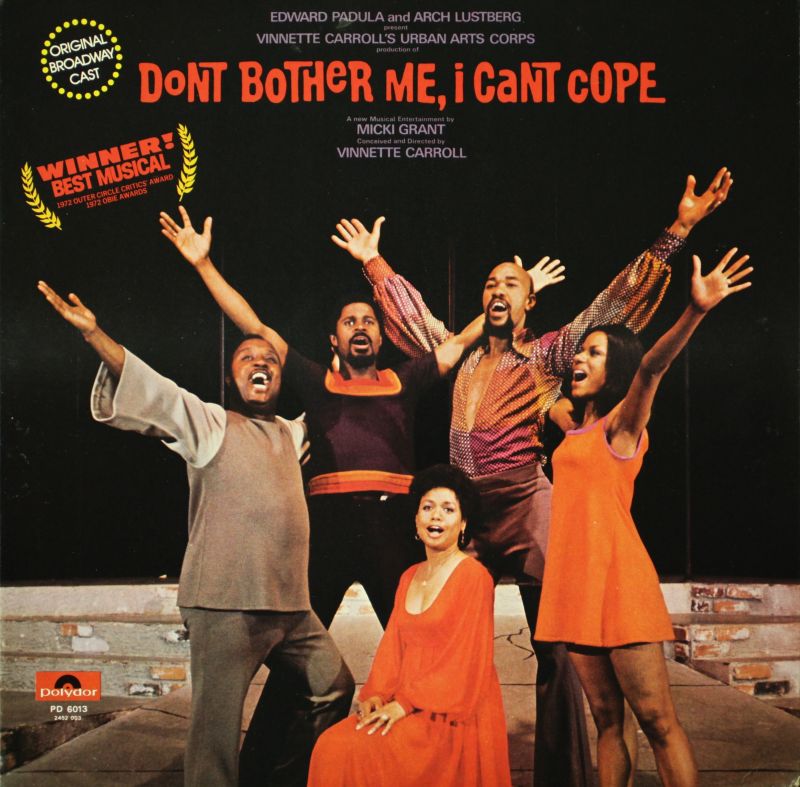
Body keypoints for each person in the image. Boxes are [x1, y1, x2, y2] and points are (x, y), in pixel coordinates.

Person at [335, 167, 733, 787]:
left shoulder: (548, 355)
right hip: (469, 512)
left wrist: (677, 231)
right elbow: (416, 324)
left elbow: (612, 306)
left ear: (529, 303)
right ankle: (456, 765)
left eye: (511, 284)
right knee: (450, 634)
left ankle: (564, 776)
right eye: (490, 283)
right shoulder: (462, 351)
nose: (497, 289)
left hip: (525, 500)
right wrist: (374, 263)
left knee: (561, 646)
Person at [158, 206, 488, 784]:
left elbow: (459, 343)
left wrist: (505, 301)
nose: (361, 326)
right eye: (349, 321)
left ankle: (432, 764)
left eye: (370, 320)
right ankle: (264, 773)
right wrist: (205, 265)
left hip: (391, 530)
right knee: (296, 666)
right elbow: (254, 326)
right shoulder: (315, 380)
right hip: (326, 531)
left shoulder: (405, 380)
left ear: (382, 336)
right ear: (334, 338)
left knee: (418, 647)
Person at [37, 282, 354, 787]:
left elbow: (333, 398)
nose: (261, 364)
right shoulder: (210, 424)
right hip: (226, 607)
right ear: (232, 376)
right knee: (214, 739)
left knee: (334, 686)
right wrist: (95, 334)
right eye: (248, 358)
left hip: (290, 607)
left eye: (270, 361)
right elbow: (156, 391)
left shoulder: (291, 433)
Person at [536, 247, 752, 787]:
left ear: (617, 369)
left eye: (595, 352)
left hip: (618, 582)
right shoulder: (573, 426)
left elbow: (653, 366)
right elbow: (537, 381)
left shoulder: (622, 426)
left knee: (657, 721)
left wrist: (695, 310)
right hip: (576, 586)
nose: (580, 358)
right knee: (607, 722)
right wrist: (527, 298)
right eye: (580, 351)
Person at [308, 464, 512, 787]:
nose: (436, 516)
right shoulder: (409, 576)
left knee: (348, 749)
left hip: (450, 715)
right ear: (416, 520)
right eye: (427, 507)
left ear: (463, 523)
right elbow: (392, 648)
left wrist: (403, 705)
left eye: (448, 509)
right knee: (330, 745)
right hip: (406, 705)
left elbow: (464, 666)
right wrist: (377, 695)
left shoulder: (474, 577)